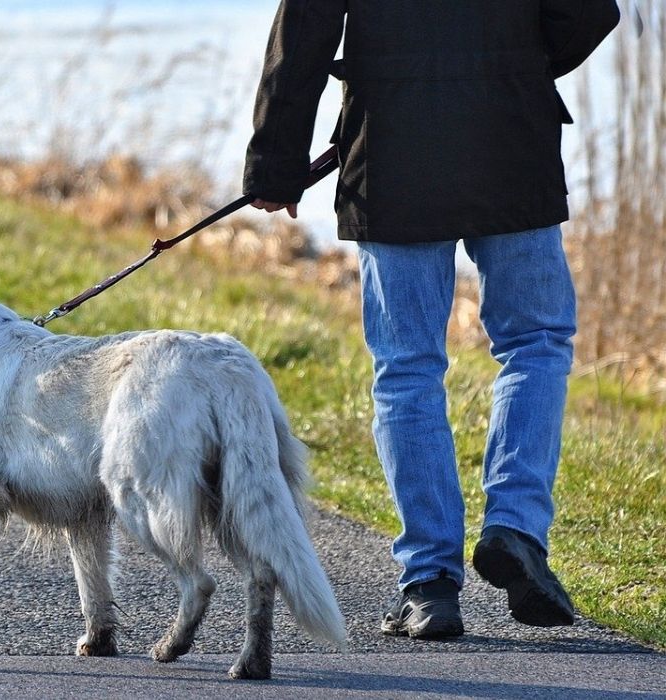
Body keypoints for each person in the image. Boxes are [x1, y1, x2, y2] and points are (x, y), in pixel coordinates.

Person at [243, 0, 621, 638]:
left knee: (407, 367)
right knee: (535, 343)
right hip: (511, 136)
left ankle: (429, 584)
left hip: (393, 149)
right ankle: (516, 528)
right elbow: (588, 13)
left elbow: (302, 32)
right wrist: (516, 68)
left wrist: (276, 165)